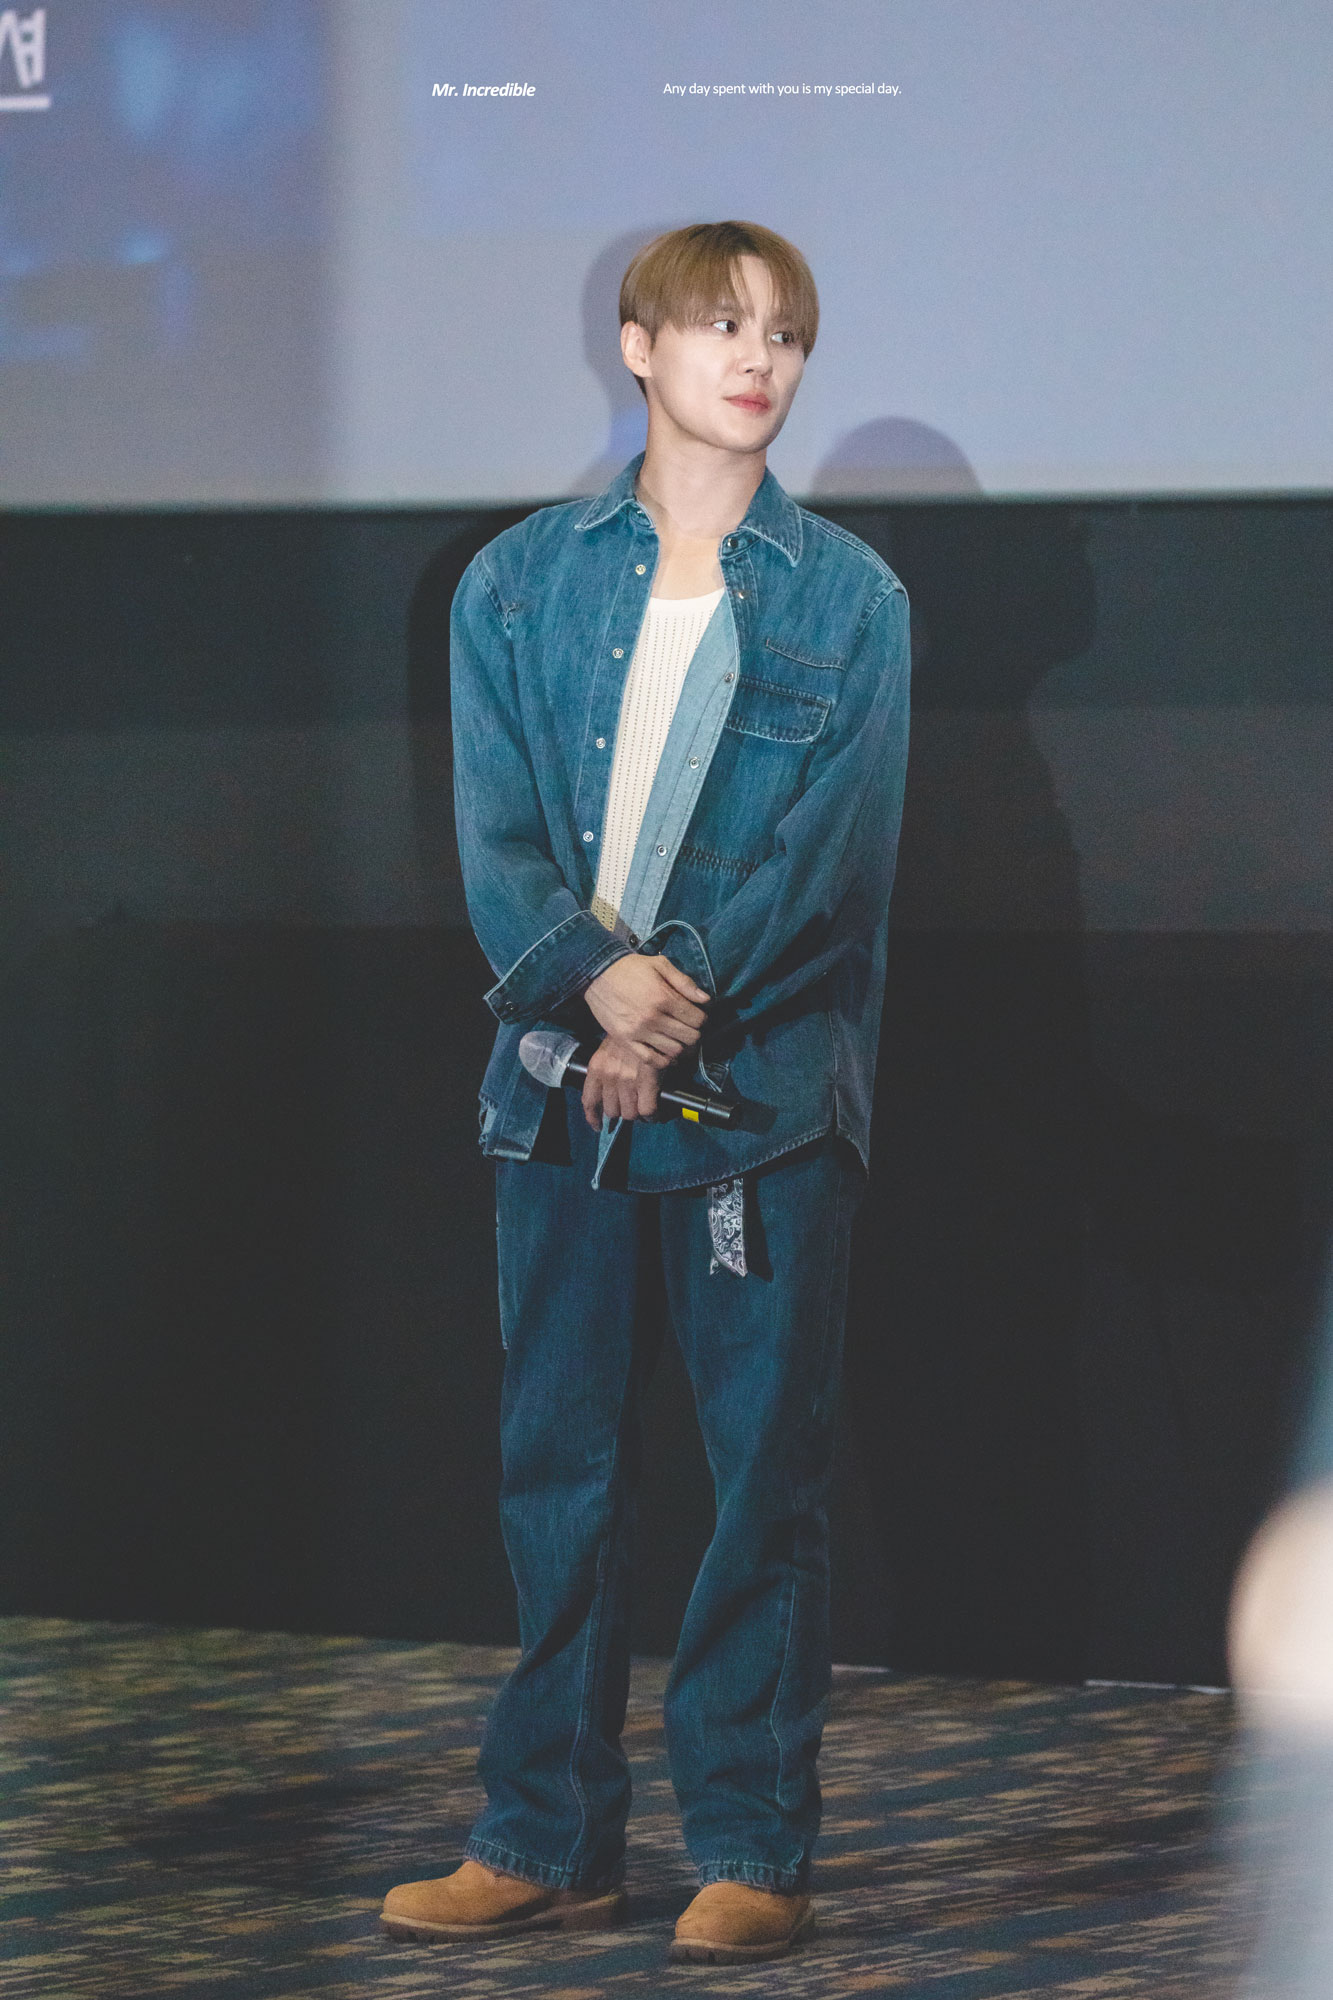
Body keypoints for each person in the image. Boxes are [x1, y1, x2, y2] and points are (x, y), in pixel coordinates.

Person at [381, 219, 911, 1966]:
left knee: (762, 1483)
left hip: (754, 1095)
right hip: (555, 1082)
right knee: (558, 1472)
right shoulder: (519, 582)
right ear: (638, 346)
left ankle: (750, 1845)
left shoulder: (849, 597)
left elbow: (823, 865)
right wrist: (588, 985)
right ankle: (543, 1838)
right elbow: (494, 835)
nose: (755, 359)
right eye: (719, 325)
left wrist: (659, 1003)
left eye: (784, 335)